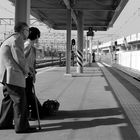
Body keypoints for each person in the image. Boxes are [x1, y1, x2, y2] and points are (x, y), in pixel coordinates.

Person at [0, 22, 36, 133]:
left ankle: (4, 123)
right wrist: (27, 71)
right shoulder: (17, 39)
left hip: (6, 76)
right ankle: (22, 127)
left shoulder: (8, 39)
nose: (28, 32)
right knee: (20, 101)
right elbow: (20, 58)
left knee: (8, 100)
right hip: (13, 76)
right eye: (27, 30)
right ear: (23, 30)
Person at [24, 27, 43, 119]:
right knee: (27, 96)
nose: (38, 39)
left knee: (28, 95)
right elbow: (21, 60)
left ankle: (30, 114)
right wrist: (29, 72)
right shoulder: (27, 45)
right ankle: (28, 115)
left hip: (28, 74)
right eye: (38, 37)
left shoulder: (30, 46)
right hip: (26, 75)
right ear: (36, 36)